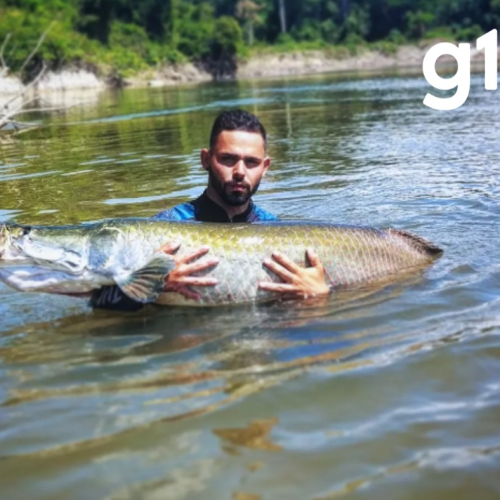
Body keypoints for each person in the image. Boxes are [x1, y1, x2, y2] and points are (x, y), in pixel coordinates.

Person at [91, 109, 332, 311]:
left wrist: (320, 296)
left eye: (251, 162)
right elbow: (97, 302)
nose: (239, 171)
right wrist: (152, 287)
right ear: (206, 159)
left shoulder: (278, 231)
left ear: (265, 167)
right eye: (228, 159)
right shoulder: (164, 230)